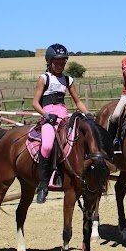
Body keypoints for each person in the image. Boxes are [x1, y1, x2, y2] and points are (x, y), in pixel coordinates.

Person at [32, 43, 92, 203]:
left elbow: (77, 101)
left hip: (64, 116)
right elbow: (35, 103)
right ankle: (43, 184)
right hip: (49, 117)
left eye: (63, 63)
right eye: (57, 63)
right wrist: (46, 114)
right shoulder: (44, 78)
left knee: (76, 141)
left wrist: (87, 113)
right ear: (49, 62)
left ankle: (69, 173)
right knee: (46, 146)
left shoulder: (68, 79)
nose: (60, 66)